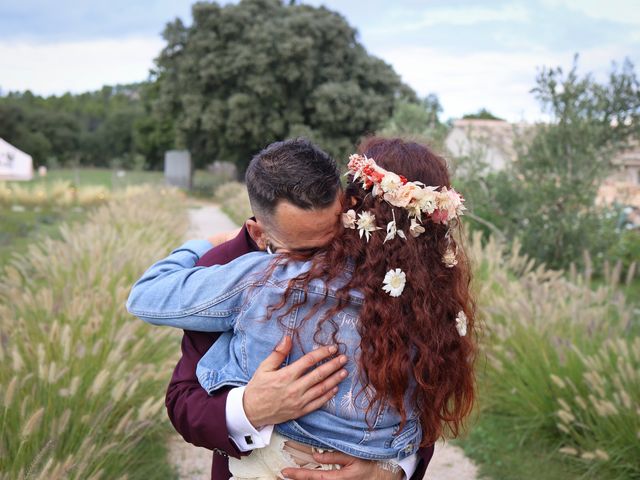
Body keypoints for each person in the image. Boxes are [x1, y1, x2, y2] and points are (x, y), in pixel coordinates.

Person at [131, 138, 475, 478]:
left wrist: (389, 471)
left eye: (334, 230)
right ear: (259, 233)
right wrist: (248, 408)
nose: (325, 256)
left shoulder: (418, 296)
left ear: (349, 204)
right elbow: (182, 398)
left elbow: (424, 408)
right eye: (304, 249)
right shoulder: (225, 264)